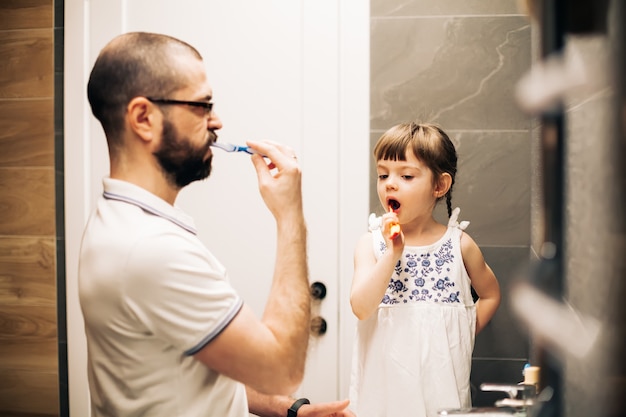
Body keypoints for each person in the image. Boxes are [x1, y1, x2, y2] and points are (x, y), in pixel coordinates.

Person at [78, 31, 354, 417]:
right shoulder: (149, 248)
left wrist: (289, 410)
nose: (217, 121)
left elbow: (198, 358)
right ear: (143, 118)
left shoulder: (123, 221)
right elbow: (281, 370)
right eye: (202, 106)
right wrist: (290, 214)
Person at [348, 122, 501, 417]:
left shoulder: (460, 245)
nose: (390, 184)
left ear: (439, 186)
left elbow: (491, 294)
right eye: (383, 175)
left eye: (406, 175)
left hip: (441, 398)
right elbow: (361, 308)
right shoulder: (370, 245)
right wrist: (393, 253)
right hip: (382, 399)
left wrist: (461, 332)